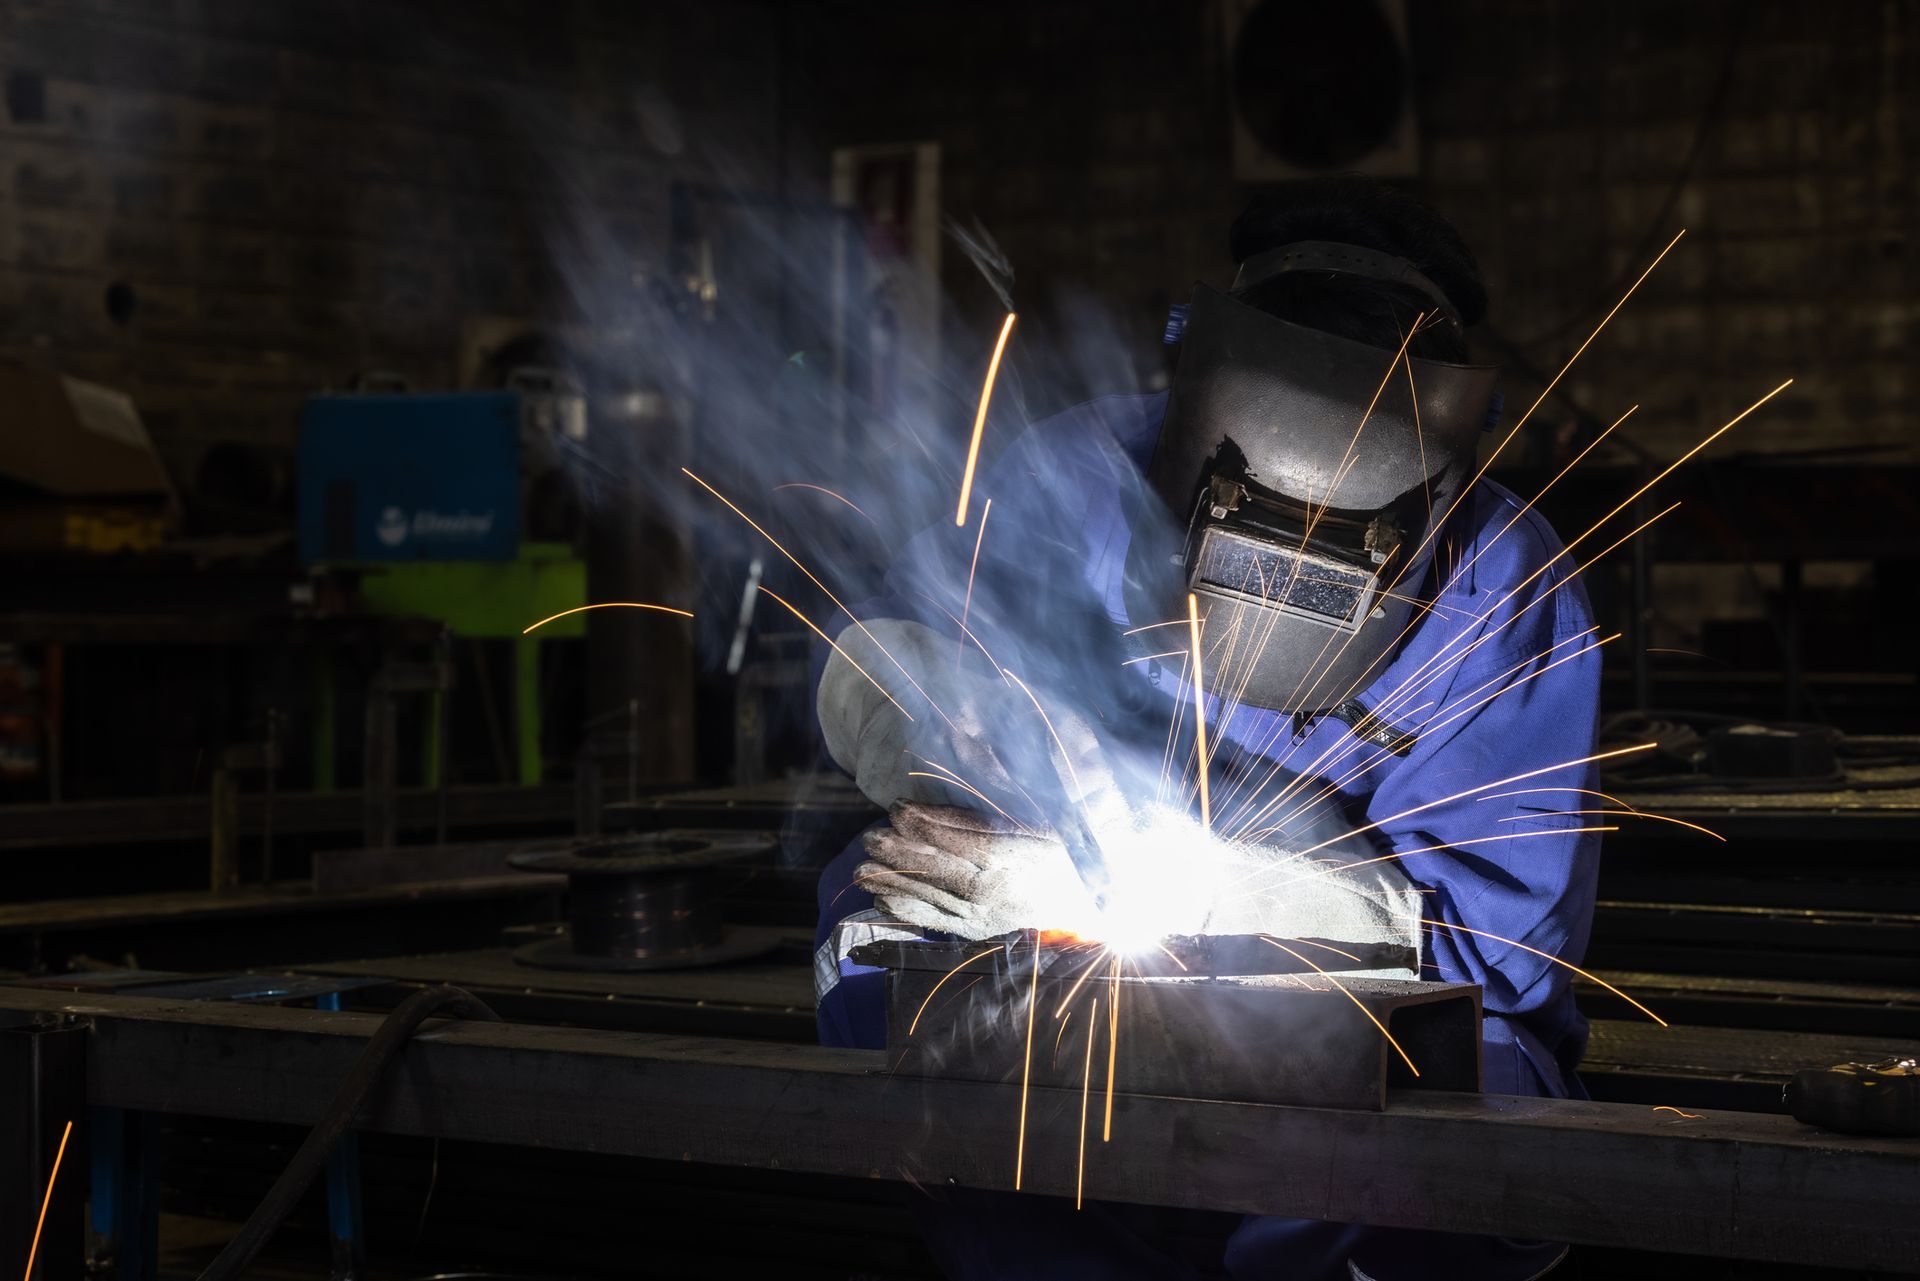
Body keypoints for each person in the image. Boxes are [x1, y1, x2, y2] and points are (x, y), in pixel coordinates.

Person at [812, 177, 1600, 1281]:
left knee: (1479, 1085)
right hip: (1066, 988)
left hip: (1341, 1026)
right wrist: (918, 715)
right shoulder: (1077, 475)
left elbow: (1488, 963)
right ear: (1194, 377)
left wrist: (1196, 893)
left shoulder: (1506, 591)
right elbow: (884, 639)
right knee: (880, 951)